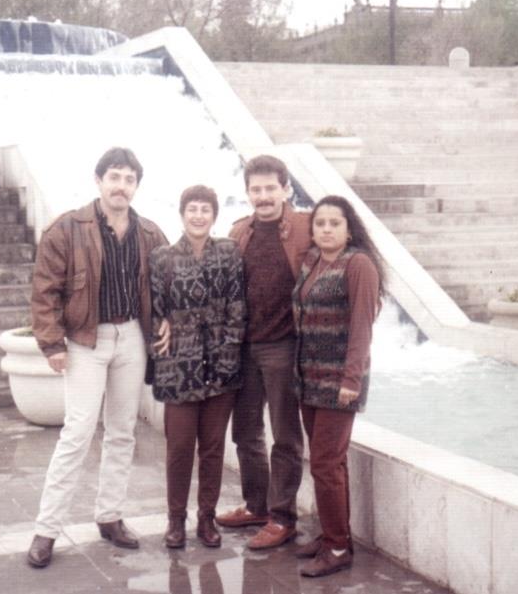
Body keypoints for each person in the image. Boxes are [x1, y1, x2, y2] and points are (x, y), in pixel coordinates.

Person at [27, 147, 168, 568]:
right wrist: (52, 344)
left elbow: (165, 287)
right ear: (99, 180)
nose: (121, 185)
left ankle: (109, 516)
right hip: (86, 340)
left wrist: (168, 322)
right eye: (114, 177)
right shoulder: (67, 228)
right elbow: (44, 290)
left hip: (131, 339)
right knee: (78, 431)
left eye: (128, 179)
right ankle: (46, 529)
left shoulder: (150, 234)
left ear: (136, 186)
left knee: (122, 431)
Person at [216, 155, 312, 550]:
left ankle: (282, 517)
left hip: (284, 346)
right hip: (246, 347)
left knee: (285, 436)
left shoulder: (307, 227)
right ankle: (256, 505)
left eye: (271, 188)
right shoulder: (240, 231)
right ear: (247, 193)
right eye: (256, 189)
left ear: (286, 188)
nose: (264, 196)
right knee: (246, 433)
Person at [292, 195, 384, 578]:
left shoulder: (358, 264)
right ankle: (333, 533)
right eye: (320, 223)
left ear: (349, 230)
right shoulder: (312, 261)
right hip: (309, 379)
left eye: (334, 223)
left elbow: (362, 326)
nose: (326, 229)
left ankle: (338, 547)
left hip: (339, 383)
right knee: (327, 462)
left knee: (326, 464)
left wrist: (351, 380)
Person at [149, 185, 245, 549]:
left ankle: (207, 518)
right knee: (179, 448)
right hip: (179, 366)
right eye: (192, 209)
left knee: (213, 447)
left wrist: (231, 348)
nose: (199, 215)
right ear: (182, 213)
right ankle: (176, 520)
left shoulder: (229, 252)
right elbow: (156, 309)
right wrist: (164, 329)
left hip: (221, 364)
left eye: (206, 209)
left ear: (214, 215)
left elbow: (237, 303)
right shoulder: (163, 258)